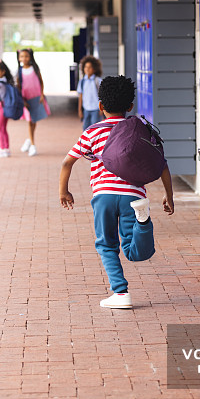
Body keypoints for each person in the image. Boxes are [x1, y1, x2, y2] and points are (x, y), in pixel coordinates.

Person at [59, 75, 174, 309]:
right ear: (130, 106)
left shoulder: (92, 132)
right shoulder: (139, 130)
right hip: (134, 195)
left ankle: (121, 293)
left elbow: (67, 163)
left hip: (103, 196)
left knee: (106, 245)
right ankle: (143, 222)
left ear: (100, 106)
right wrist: (168, 196)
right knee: (134, 251)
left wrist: (65, 191)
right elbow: (161, 163)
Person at [16, 49, 48, 156]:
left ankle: (30, 140)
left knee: (34, 121)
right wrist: (22, 101)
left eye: (26, 56)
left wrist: (42, 95)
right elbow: (19, 87)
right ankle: (33, 144)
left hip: (37, 98)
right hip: (27, 100)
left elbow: (41, 81)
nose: (24, 59)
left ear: (30, 57)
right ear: (19, 58)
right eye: (22, 56)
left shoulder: (35, 68)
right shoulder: (19, 71)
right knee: (30, 121)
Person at [77, 55, 103, 130]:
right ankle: (87, 142)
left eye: (90, 67)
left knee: (95, 129)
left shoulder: (98, 80)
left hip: (96, 109)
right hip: (86, 109)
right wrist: (79, 110)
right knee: (85, 128)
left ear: (94, 69)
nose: (87, 69)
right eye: (86, 67)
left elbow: (102, 95)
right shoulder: (82, 82)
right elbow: (80, 96)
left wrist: (102, 109)